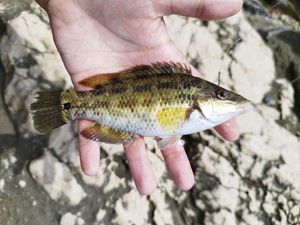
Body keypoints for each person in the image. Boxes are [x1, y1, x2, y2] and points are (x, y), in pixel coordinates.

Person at [35, 0, 243, 195]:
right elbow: (165, 123)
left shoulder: (195, 110)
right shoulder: (192, 106)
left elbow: (166, 125)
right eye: (221, 95)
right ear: (201, 98)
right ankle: (65, 107)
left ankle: (64, 107)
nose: (228, 99)